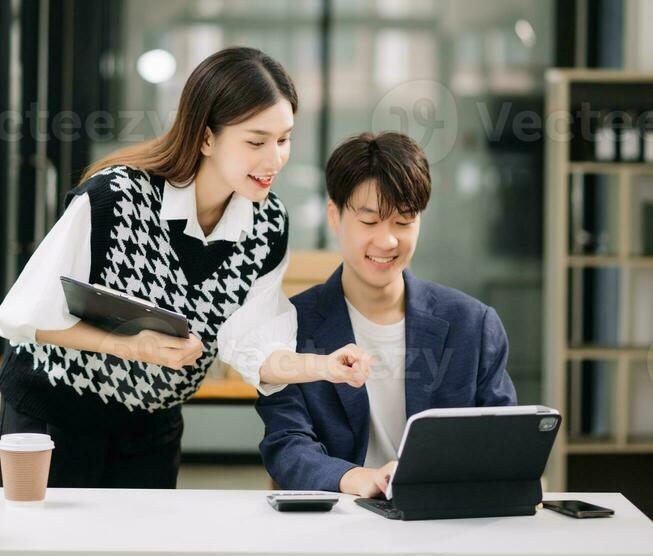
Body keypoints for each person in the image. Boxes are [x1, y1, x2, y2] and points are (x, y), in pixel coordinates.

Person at [0, 47, 370, 488]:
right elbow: (21, 317)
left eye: (284, 139)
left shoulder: (268, 224)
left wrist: (324, 367)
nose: (274, 160)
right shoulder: (115, 198)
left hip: (152, 427)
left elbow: (254, 346)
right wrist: (129, 347)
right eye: (255, 141)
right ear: (206, 137)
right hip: (54, 418)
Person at [257, 131, 517, 497]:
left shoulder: (472, 325)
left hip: (445, 521)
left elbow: (505, 443)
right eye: (369, 222)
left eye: (404, 220)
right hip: (337, 523)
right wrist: (361, 479)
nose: (388, 240)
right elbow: (287, 447)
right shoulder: (289, 326)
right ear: (335, 217)